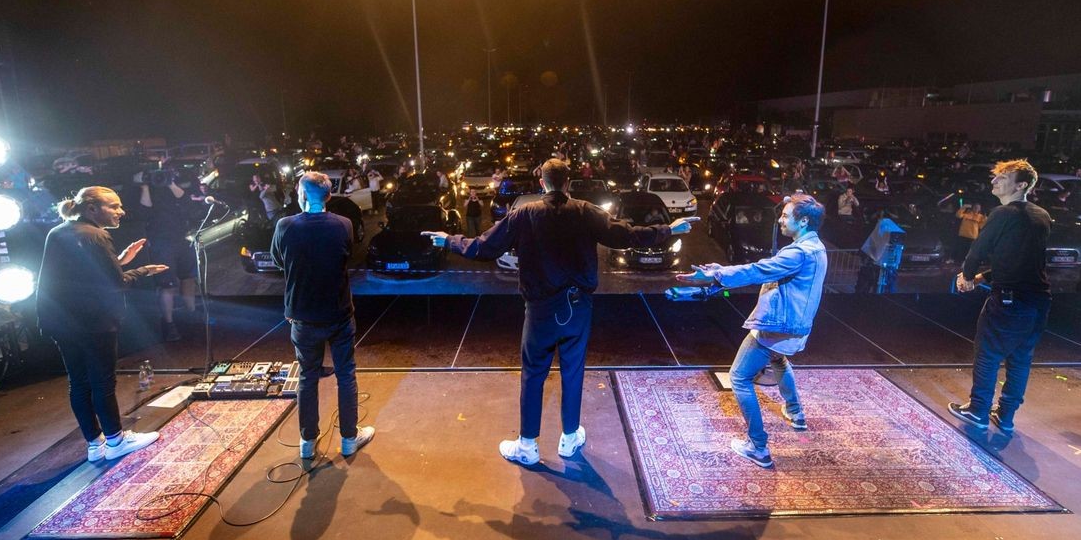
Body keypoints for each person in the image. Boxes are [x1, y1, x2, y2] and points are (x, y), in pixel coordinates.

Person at [422, 159, 696, 466]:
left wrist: (449, 240)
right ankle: (568, 439)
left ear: (543, 184)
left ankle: (527, 446)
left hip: (539, 312)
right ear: (568, 183)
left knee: (533, 375)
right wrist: (667, 230)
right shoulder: (585, 211)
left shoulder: (524, 214)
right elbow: (625, 234)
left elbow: (483, 248)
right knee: (573, 373)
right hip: (577, 309)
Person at [676, 194, 828, 468]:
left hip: (777, 327)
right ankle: (795, 413)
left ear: (803, 221)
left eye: (786, 215)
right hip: (795, 326)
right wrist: (721, 270)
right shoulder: (816, 247)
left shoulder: (798, 253)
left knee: (739, 377)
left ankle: (758, 447)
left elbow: (760, 270)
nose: (780, 219)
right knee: (779, 360)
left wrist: (715, 276)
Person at [36, 186, 168, 462]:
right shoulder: (96, 235)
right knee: (102, 381)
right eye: (114, 206)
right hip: (93, 323)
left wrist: (119, 260)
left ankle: (95, 445)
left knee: (79, 383)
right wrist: (144, 269)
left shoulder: (59, 231)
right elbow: (115, 284)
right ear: (93, 208)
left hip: (61, 322)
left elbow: (84, 276)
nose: (121, 211)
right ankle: (116, 440)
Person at [271, 171, 375, 459]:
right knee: (346, 375)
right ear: (329, 196)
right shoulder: (343, 225)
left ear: (301, 196)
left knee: (307, 378)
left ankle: (307, 444)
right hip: (339, 314)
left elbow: (279, 260)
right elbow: (348, 256)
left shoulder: (285, 226)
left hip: (302, 318)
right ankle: (349, 440)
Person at [951, 159, 1052, 434]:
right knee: (1020, 359)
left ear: (1021, 185)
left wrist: (968, 277)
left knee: (988, 354)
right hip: (1038, 301)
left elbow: (978, 250)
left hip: (1009, 302)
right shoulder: (1041, 215)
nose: (994, 181)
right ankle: (1005, 417)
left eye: (1003, 177)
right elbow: (1022, 261)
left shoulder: (1003, 213)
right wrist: (985, 277)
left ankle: (978, 410)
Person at [140, 175, 198, 341]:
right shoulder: (147, 190)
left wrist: (169, 182)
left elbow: (186, 200)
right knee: (168, 284)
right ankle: (169, 324)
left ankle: (191, 315)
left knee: (189, 278)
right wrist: (145, 186)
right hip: (161, 243)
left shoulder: (173, 187)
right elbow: (145, 211)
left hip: (182, 238)